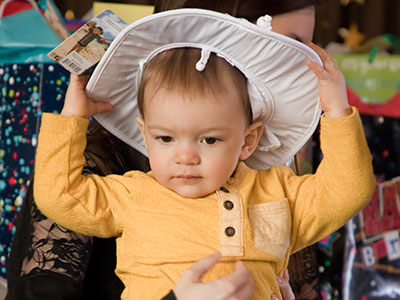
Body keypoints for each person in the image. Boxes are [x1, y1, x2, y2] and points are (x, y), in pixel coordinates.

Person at [32, 8, 375, 300]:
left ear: (247, 141)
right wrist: (72, 120)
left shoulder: (277, 191)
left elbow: (347, 191)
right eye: (165, 138)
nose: (185, 157)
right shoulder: (132, 195)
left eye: (209, 140)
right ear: (145, 135)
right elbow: (59, 196)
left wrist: (337, 112)